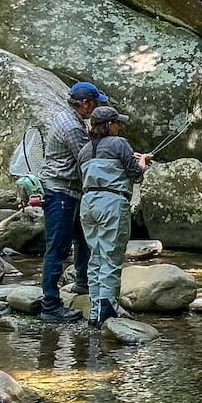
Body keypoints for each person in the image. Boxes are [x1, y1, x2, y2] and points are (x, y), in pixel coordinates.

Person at [39, 81, 108, 323]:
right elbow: (88, 161)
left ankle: (82, 283)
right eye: (95, 103)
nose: (96, 108)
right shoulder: (72, 127)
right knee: (57, 249)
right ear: (84, 103)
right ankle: (50, 305)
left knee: (83, 238)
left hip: (69, 192)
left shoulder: (68, 118)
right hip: (60, 193)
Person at [78, 105, 150, 328]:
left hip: (88, 204)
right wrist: (142, 162)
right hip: (112, 202)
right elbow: (134, 173)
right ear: (109, 125)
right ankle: (107, 312)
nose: (120, 126)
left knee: (96, 258)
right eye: (118, 122)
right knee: (111, 257)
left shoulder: (84, 150)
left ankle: (95, 311)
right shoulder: (120, 143)